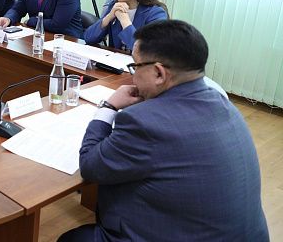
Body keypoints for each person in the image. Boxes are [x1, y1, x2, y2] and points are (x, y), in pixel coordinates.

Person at [58, 20, 269, 241]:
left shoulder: (144, 122)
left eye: (135, 66)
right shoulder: (223, 103)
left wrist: (108, 107)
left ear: (159, 73)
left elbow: (90, 166)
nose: (133, 77)